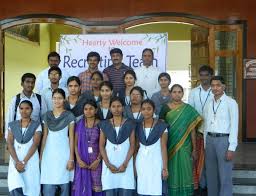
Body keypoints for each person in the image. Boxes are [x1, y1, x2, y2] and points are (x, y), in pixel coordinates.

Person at [159, 84, 202, 196]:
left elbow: (192, 130)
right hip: (169, 144)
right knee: (171, 169)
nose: (177, 94)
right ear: (170, 93)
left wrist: (194, 149)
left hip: (185, 145)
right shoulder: (165, 107)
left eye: (179, 92)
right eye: (174, 92)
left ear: (183, 94)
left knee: (185, 169)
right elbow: (161, 128)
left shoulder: (188, 109)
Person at [204, 76, 238, 196]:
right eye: (212, 85)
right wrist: (205, 144)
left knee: (225, 175)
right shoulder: (209, 103)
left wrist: (231, 147)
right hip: (209, 140)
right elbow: (206, 124)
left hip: (224, 141)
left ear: (224, 86)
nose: (215, 88)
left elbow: (234, 125)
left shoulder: (231, 102)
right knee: (211, 175)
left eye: (218, 85)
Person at [40, 88, 75, 196]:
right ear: (51, 99)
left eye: (59, 98)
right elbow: (45, 136)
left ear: (64, 99)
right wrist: (41, 156)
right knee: (48, 187)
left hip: (64, 154)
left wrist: (71, 158)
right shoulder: (47, 115)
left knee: (64, 186)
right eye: (54, 98)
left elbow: (71, 138)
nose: (57, 100)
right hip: (49, 154)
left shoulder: (69, 116)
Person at [99, 97, 136, 196]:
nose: (116, 109)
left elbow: (132, 145)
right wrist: (108, 164)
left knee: (126, 191)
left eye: (119, 106)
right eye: (113, 106)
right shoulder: (104, 124)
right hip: (109, 165)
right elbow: (101, 145)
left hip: (126, 165)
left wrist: (125, 164)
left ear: (123, 108)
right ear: (110, 108)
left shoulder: (130, 123)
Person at [188, 65, 213, 193]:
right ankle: (199, 184)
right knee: (198, 158)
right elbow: (190, 112)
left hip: (212, 131)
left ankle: (209, 184)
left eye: (206, 75)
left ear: (211, 76)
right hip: (197, 131)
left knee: (210, 159)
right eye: (201, 75)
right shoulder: (193, 92)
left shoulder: (215, 91)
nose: (203, 78)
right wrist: (195, 129)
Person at [7, 100, 42, 196]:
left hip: (30, 160)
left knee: (31, 187)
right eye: (21, 108)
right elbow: (9, 143)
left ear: (32, 110)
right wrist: (17, 162)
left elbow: (35, 144)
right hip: (15, 159)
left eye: (27, 108)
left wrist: (23, 162)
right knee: (16, 185)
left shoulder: (36, 125)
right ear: (19, 110)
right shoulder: (12, 125)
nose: (24, 111)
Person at [135, 99, 168, 196]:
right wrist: (134, 167)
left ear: (154, 110)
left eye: (149, 109)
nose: (146, 111)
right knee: (142, 188)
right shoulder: (138, 126)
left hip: (156, 161)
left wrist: (165, 167)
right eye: (144, 109)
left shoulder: (161, 126)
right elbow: (136, 148)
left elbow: (163, 147)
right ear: (141, 111)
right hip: (141, 162)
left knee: (156, 189)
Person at [72, 100, 104, 196]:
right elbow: (75, 143)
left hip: (96, 162)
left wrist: (98, 160)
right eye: (86, 109)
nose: (88, 111)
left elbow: (103, 145)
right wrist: (78, 160)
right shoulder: (79, 124)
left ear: (96, 110)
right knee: (82, 186)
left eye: (91, 109)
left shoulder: (101, 124)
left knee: (96, 188)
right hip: (82, 162)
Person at [5, 73, 47, 139]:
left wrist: (44, 136)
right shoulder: (16, 99)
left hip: (35, 135)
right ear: (22, 84)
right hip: (18, 135)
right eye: (27, 82)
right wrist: (8, 138)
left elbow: (44, 119)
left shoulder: (40, 99)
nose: (30, 85)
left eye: (32, 82)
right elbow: (10, 119)